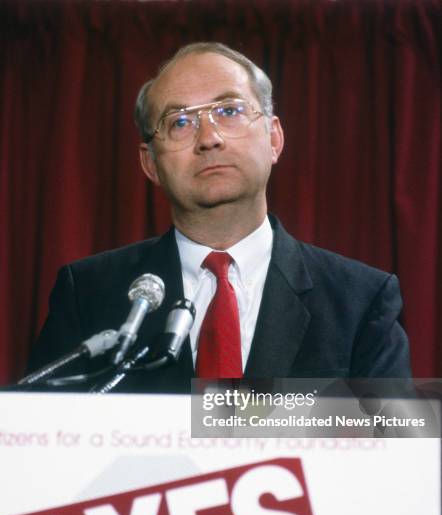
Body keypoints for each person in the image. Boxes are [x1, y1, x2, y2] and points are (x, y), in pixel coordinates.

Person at [27, 42, 411, 393]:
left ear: (274, 139)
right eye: (180, 122)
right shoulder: (89, 294)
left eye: (229, 111)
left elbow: (397, 449)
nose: (209, 138)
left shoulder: (361, 300)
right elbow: (42, 442)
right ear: (150, 164)